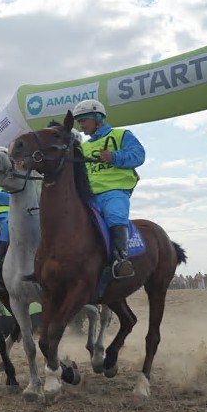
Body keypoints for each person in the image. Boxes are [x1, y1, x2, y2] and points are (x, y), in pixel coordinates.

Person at [72, 98, 145, 279]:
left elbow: (138, 156)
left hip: (115, 191)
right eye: (79, 122)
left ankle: (120, 261)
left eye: (84, 120)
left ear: (97, 118)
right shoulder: (84, 147)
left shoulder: (121, 135)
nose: (81, 125)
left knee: (114, 214)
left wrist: (114, 157)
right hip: (89, 196)